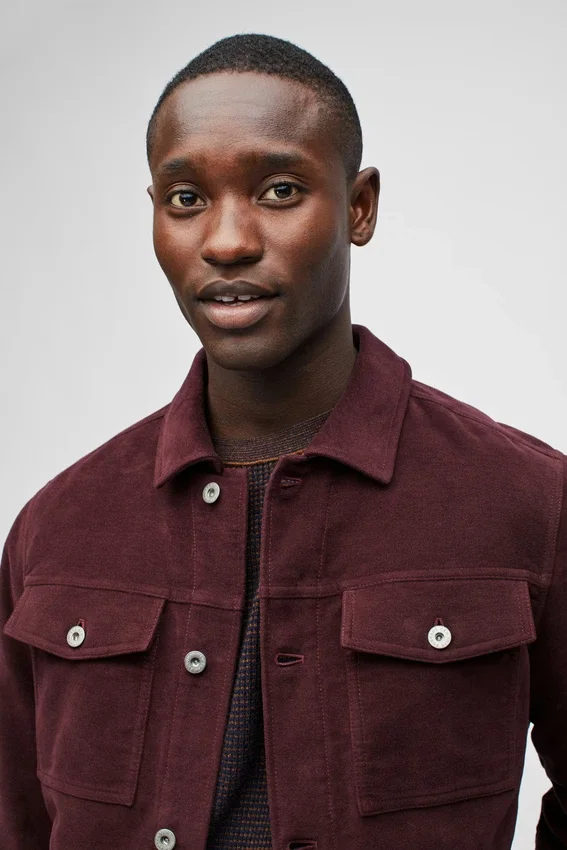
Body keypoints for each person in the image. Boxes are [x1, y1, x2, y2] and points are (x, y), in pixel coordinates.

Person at [0, 31, 565, 850]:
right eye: (185, 198)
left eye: (278, 190)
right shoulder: (56, 529)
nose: (226, 241)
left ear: (358, 207)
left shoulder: (529, 504)